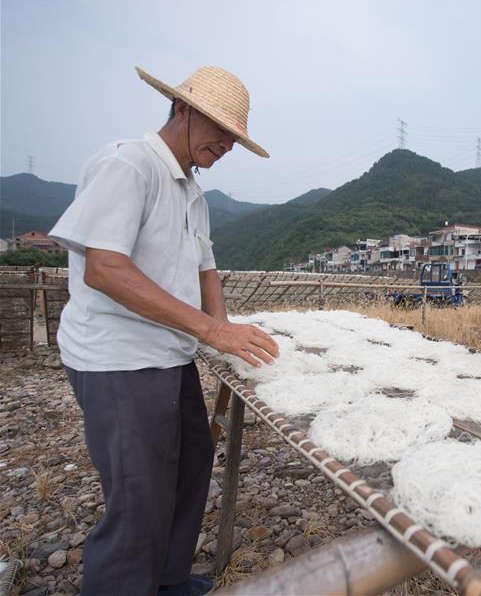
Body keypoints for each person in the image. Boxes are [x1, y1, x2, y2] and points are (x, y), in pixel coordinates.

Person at [49, 66, 280, 596]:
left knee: (190, 462)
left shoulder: (190, 188)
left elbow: (205, 267)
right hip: (118, 359)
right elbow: (103, 268)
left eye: (234, 137)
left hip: (166, 352)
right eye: (219, 129)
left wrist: (221, 329)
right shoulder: (129, 164)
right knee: (139, 494)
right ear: (182, 110)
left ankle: (168, 580)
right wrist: (210, 331)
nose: (225, 144)